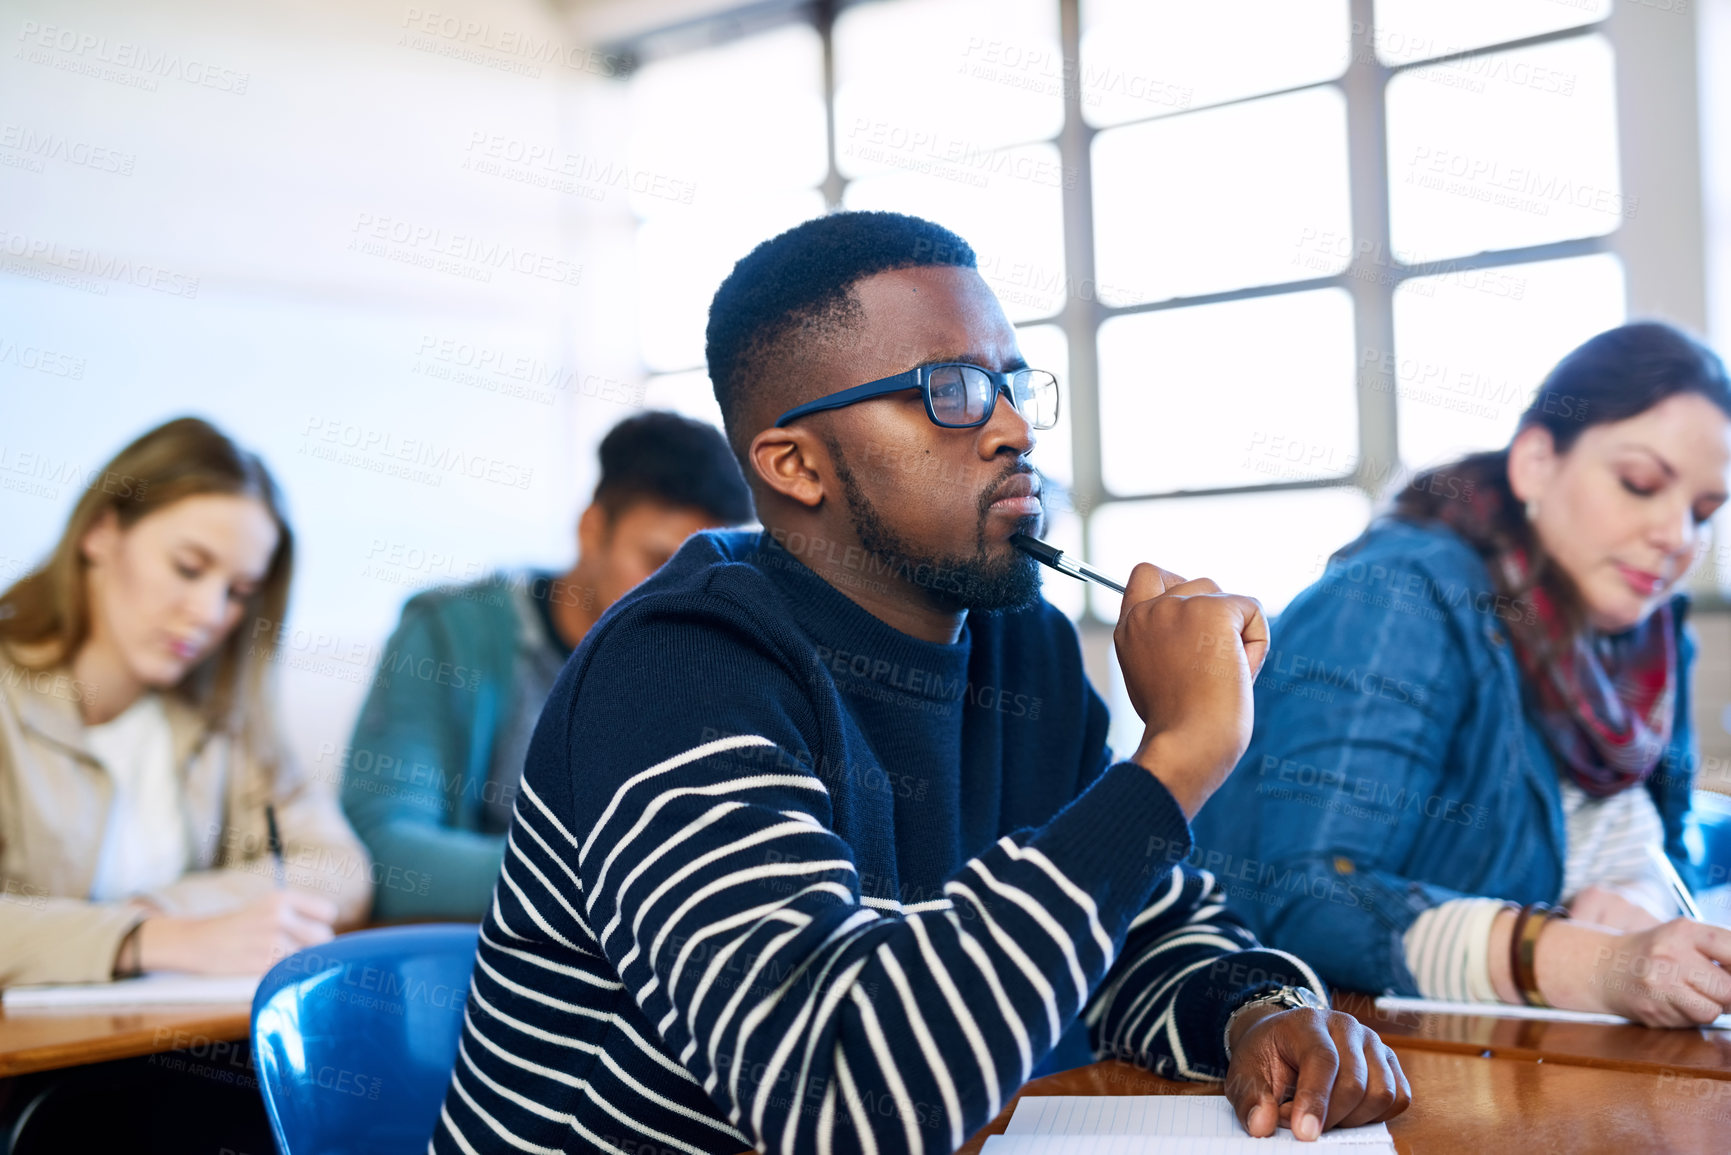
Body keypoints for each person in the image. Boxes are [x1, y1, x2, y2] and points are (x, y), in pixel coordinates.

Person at [432, 211, 1409, 1155]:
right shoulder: (676, 667)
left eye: (1014, 384)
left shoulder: (1018, 642)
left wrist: (1259, 1012)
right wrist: (1175, 763)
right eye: (953, 390)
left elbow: (1129, 927)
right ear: (794, 464)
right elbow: (838, 1095)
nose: (1016, 428)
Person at [1193, 322, 1731, 1025]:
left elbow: (1673, 840)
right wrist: (1593, 962)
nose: (1675, 536)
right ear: (1536, 461)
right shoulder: (1392, 601)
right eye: (1638, 483)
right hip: (1350, 1056)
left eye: (1702, 512)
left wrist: (1645, 895)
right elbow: (1308, 897)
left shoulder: (1654, 643)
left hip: (1531, 1052)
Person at [0, 417, 372, 1151]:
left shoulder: (224, 710)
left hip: (173, 1070)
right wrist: (149, 937)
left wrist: (174, 913)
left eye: (237, 591)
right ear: (101, 533)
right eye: (188, 567)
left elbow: (340, 868)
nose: (209, 614)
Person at [340, 411, 754, 919]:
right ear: (591, 530)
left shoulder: (719, 662)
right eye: (657, 560)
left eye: (709, 573)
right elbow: (386, 855)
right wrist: (624, 876)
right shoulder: (449, 633)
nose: (682, 591)